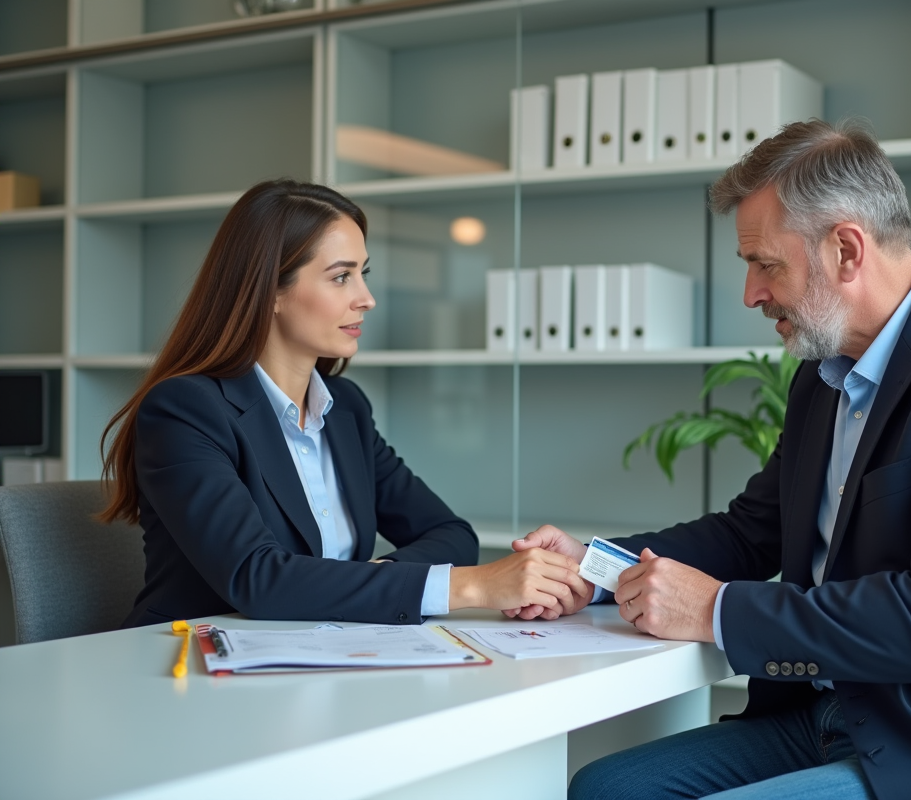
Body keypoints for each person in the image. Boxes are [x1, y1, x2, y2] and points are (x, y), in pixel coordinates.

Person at [512, 121, 911, 800]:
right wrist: (593, 567)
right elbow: (750, 533)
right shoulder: (824, 378)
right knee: (608, 788)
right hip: (841, 714)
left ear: (846, 250)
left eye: (766, 264)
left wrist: (717, 609)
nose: (751, 293)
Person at [101, 179, 587, 628]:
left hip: (326, 653)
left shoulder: (346, 408)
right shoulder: (186, 410)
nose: (366, 298)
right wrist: (474, 585)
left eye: (363, 273)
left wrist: (374, 581)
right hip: (193, 660)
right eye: (340, 277)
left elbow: (450, 533)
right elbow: (256, 578)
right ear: (269, 291)